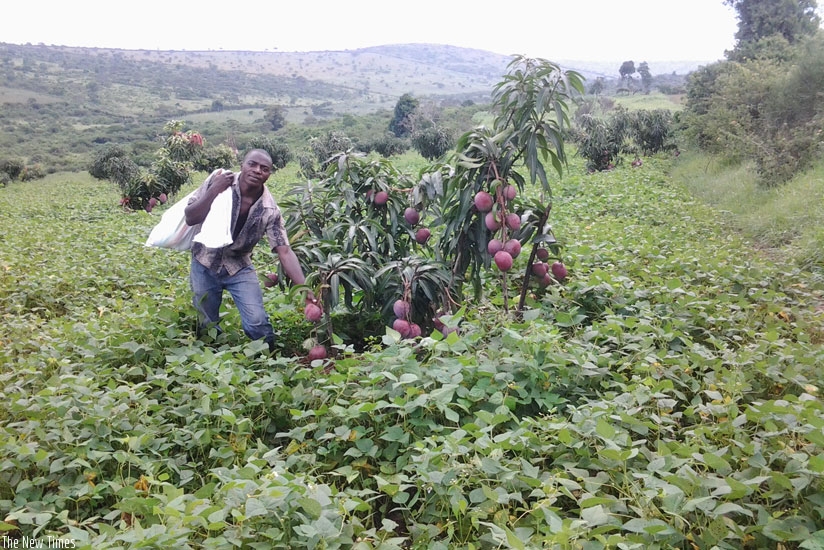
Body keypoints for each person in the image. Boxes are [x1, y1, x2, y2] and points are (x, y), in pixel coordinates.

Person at [184, 148, 313, 352]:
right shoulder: (219, 182)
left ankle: (268, 358)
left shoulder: (270, 210)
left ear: (269, 174)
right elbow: (191, 217)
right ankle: (210, 360)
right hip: (204, 261)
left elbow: (284, 251)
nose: (257, 170)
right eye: (252, 164)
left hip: (239, 267)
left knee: (257, 321)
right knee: (206, 321)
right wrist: (213, 190)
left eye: (264, 168)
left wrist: (304, 289)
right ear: (242, 165)